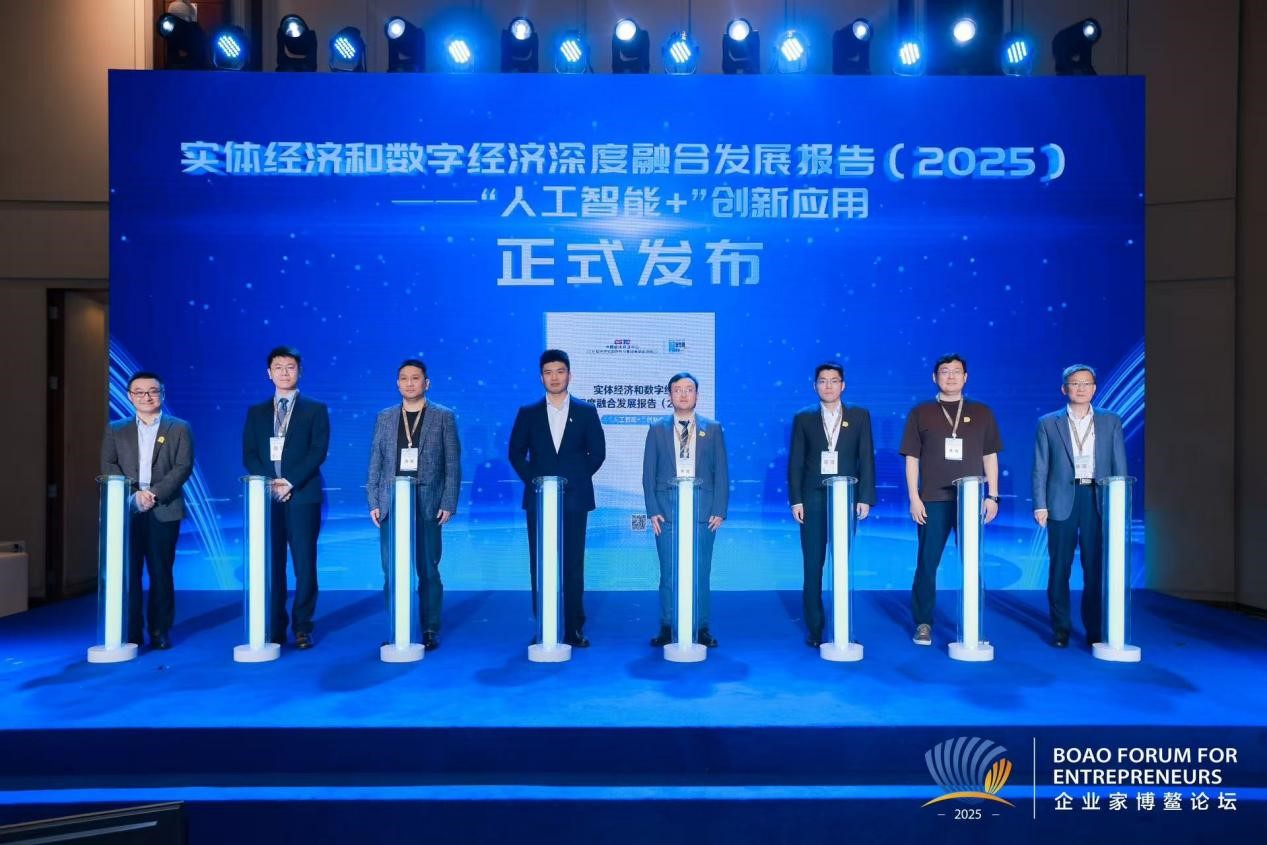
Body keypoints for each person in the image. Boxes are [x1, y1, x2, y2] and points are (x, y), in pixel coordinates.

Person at [899, 354, 1002, 646]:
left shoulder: (982, 412)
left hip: (971, 502)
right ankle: (923, 622)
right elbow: (911, 459)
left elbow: (990, 456)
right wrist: (914, 497)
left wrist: (993, 495)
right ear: (935, 377)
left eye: (957, 371)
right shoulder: (921, 412)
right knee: (927, 562)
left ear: (966, 377)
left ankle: (973, 623)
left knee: (972, 563)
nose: (951, 376)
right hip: (932, 499)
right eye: (945, 372)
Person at [508, 349, 606, 647]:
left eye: (560, 371)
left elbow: (597, 453)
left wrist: (573, 480)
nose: (554, 377)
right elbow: (516, 453)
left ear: (569, 375)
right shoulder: (528, 413)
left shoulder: (586, 411)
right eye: (548, 372)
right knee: (540, 563)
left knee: (573, 564)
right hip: (539, 500)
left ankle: (574, 628)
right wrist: (538, 483)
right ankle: (544, 624)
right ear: (541, 377)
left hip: (575, 499)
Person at [366, 359, 461, 651]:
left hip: (428, 503)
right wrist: (373, 499)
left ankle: (430, 628)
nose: (409, 383)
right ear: (397, 384)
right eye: (404, 378)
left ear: (426, 383)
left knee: (428, 569)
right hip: (391, 503)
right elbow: (376, 462)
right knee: (391, 570)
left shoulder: (443, 416)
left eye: (415, 378)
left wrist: (448, 501)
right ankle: (398, 627)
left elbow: (452, 464)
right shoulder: (385, 417)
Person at [1032, 364, 1128, 648]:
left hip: (1097, 500)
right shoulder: (1048, 422)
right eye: (1075, 383)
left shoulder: (1111, 421)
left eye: (1086, 383)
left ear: (1094, 388)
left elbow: (1119, 465)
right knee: (1059, 568)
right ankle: (1060, 629)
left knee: (1095, 568)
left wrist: (1119, 504)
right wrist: (1040, 504)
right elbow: (1040, 467)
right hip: (1061, 500)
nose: (1081, 388)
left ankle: (1094, 630)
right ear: (1065, 388)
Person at [242, 346, 330, 649]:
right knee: (273, 564)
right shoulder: (256, 412)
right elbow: (250, 454)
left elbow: (317, 451)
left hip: (303, 495)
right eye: (278, 367)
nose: (284, 372)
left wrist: (289, 481)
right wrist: (271, 483)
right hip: (267, 499)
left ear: (299, 371)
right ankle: (275, 627)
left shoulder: (315, 409)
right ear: (269, 373)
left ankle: (302, 626)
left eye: (290, 367)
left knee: (305, 564)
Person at [100, 371, 194, 650]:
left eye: (152, 391)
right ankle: (132, 632)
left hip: (164, 508)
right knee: (128, 573)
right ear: (130, 397)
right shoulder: (116, 429)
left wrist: (153, 494)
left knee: (161, 572)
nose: (146, 397)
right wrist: (134, 495)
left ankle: (159, 630)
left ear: (162, 394)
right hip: (127, 509)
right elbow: (108, 465)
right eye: (139, 392)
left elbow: (183, 467)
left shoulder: (179, 427)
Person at [787, 362, 876, 647]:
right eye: (822, 381)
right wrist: (796, 499)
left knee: (841, 563)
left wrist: (865, 497)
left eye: (834, 380)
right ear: (815, 385)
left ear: (843, 385)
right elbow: (796, 462)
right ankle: (815, 628)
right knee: (813, 565)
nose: (828, 386)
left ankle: (842, 625)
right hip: (812, 498)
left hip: (846, 499)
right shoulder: (804, 418)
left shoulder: (859, 416)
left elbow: (866, 458)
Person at [642, 373, 729, 648]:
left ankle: (701, 627)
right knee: (668, 572)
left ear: (697, 395)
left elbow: (721, 472)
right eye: (677, 390)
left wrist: (719, 509)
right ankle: (668, 625)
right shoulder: (657, 429)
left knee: (700, 572)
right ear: (669, 395)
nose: (683, 394)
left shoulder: (712, 429)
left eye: (688, 389)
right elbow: (648, 474)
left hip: (703, 511)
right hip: (666, 512)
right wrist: (652, 510)